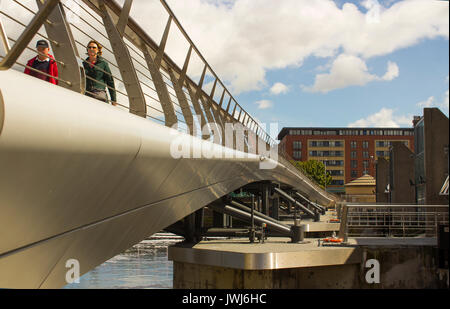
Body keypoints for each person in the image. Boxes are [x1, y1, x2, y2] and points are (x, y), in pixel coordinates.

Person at [83, 40, 116, 104]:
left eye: (94, 47)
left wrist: (113, 99)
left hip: (99, 93)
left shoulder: (103, 64)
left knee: (97, 97)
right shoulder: (84, 64)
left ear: (98, 50)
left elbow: (110, 81)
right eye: (89, 47)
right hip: (87, 93)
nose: (91, 49)